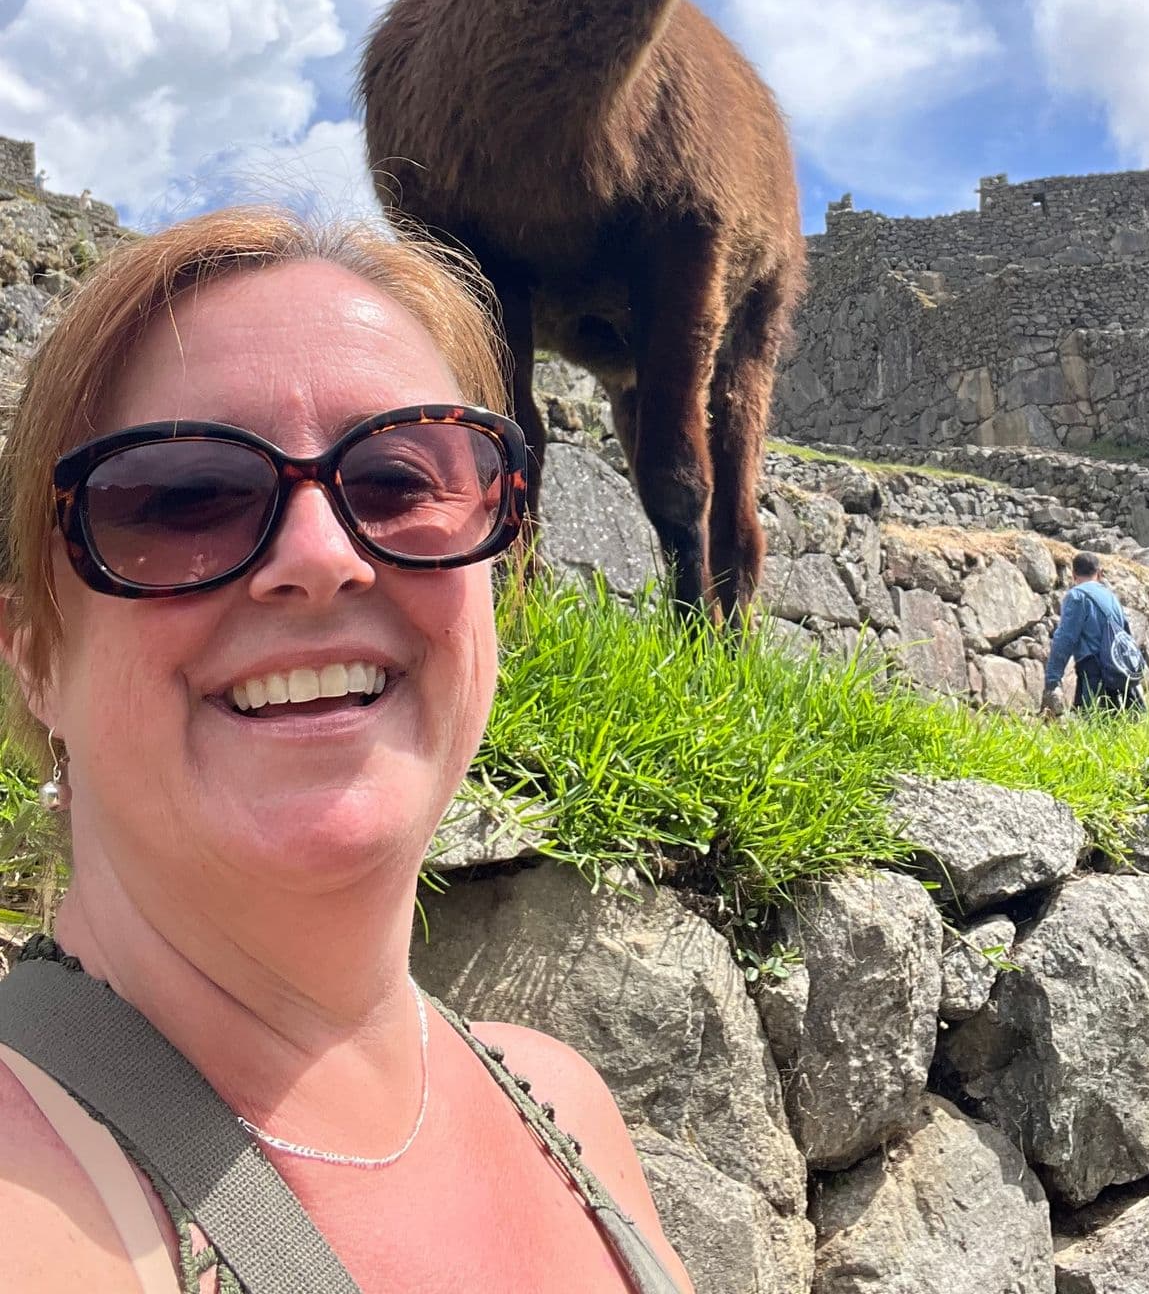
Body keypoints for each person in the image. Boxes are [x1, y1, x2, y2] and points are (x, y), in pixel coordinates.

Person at [0, 208, 694, 1294]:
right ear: (35, 651)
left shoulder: (566, 1107)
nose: (320, 556)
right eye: (183, 496)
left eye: (402, 480)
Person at [1041, 552, 1144, 714]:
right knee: (1117, 725)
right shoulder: (1112, 597)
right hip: (1118, 672)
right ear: (1100, 573)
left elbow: (1066, 638)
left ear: (1073, 574)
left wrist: (1052, 679)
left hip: (1093, 672)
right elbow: (1126, 635)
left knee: (1092, 725)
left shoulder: (1077, 596)